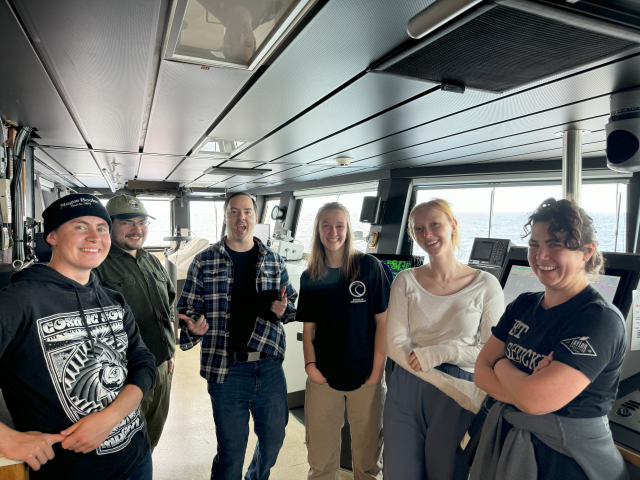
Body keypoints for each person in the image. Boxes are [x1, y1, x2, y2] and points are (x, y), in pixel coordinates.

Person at [0, 194, 156, 480]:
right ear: (52, 237)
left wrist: (110, 418)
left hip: (136, 457)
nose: (95, 237)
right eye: (80, 227)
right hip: (70, 471)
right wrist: (6, 439)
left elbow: (143, 361)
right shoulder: (18, 301)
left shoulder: (113, 300)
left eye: (102, 228)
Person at [471, 198, 628, 480]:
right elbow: (480, 372)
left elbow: (534, 400)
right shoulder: (523, 304)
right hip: (510, 439)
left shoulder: (598, 319)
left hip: (567, 458)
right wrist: (525, 387)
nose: (541, 255)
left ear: (586, 252)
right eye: (534, 244)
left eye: (555, 244)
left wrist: (503, 365)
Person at [178, 192, 297, 480]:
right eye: (234, 211)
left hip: (268, 366)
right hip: (226, 369)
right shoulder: (204, 261)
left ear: (256, 217)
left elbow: (290, 305)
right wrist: (192, 327)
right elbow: (187, 309)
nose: (241, 217)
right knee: (231, 452)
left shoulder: (274, 261)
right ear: (225, 216)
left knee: (274, 440)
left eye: (247, 211)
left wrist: (284, 310)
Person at [384, 198, 504, 479]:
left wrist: (441, 352)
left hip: (461, 386)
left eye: (434, 224)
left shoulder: (486, 285)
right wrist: (437, 375)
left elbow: (491, 351)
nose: (427, 234)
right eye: (419, 229)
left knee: (448, 472)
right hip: (410, 382)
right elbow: (393, 344)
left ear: (453, 226)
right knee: (400, 470)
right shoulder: (405, 281)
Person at [297, 202, 390, 480]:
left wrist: (376, 374)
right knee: (321, 460)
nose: (333, 232)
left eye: (339, 225)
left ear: (348, 230)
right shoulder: (311, 275)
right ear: (318, 230)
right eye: (326, 225)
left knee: (368, 461)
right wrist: (311, 367)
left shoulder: (369, 267)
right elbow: (309, 329)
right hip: (323, 377)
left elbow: (383, 323)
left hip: (366, 377)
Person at [93, 194, 176, 451]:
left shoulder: (151, 260)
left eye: (142, 222)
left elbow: (168, 306)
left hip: (162, 366)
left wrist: (169, 351)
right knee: (124, 443)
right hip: (125, 374)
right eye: (127, 223)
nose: (137, 229)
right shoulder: (97, 266)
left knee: (152, 433)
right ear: (109, 224)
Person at [197, 0, 284, 62]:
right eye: (247, 43)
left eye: (233, 41)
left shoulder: (209, 2)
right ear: (254, 40)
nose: (240, 34)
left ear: (224, 41)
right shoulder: (272, 10)